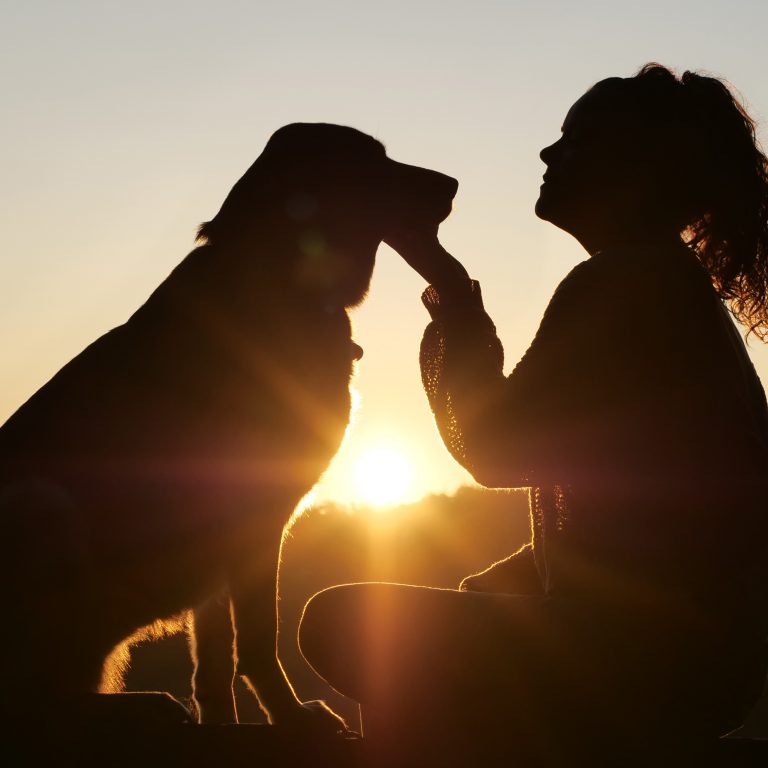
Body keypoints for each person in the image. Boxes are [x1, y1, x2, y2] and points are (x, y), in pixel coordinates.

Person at [299, 65, 768, 757]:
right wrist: (499, 585)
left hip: (650, 667)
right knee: (432, 622)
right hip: (701, 667)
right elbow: (640, 518)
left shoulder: (623, 281)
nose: (549, 155)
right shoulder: (661, 282)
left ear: (630, 169)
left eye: (573, 142)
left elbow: (493, 447)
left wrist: (452, 290)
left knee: (338, 623)